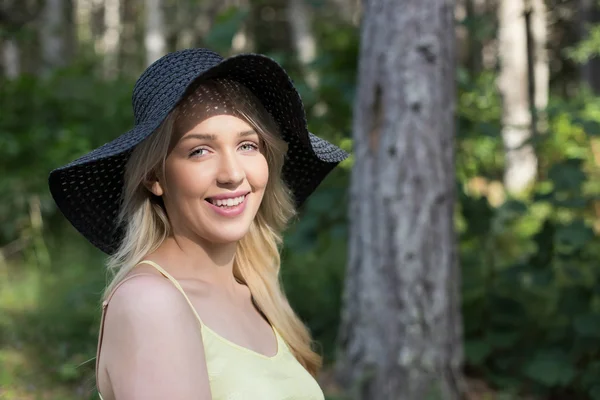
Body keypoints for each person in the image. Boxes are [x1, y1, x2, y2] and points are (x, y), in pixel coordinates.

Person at [48, 48, 347, 399]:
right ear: (154, 176)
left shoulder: (253, 293)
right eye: (199, 151)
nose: (233, 174)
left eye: (248, 145)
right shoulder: (152, 304)